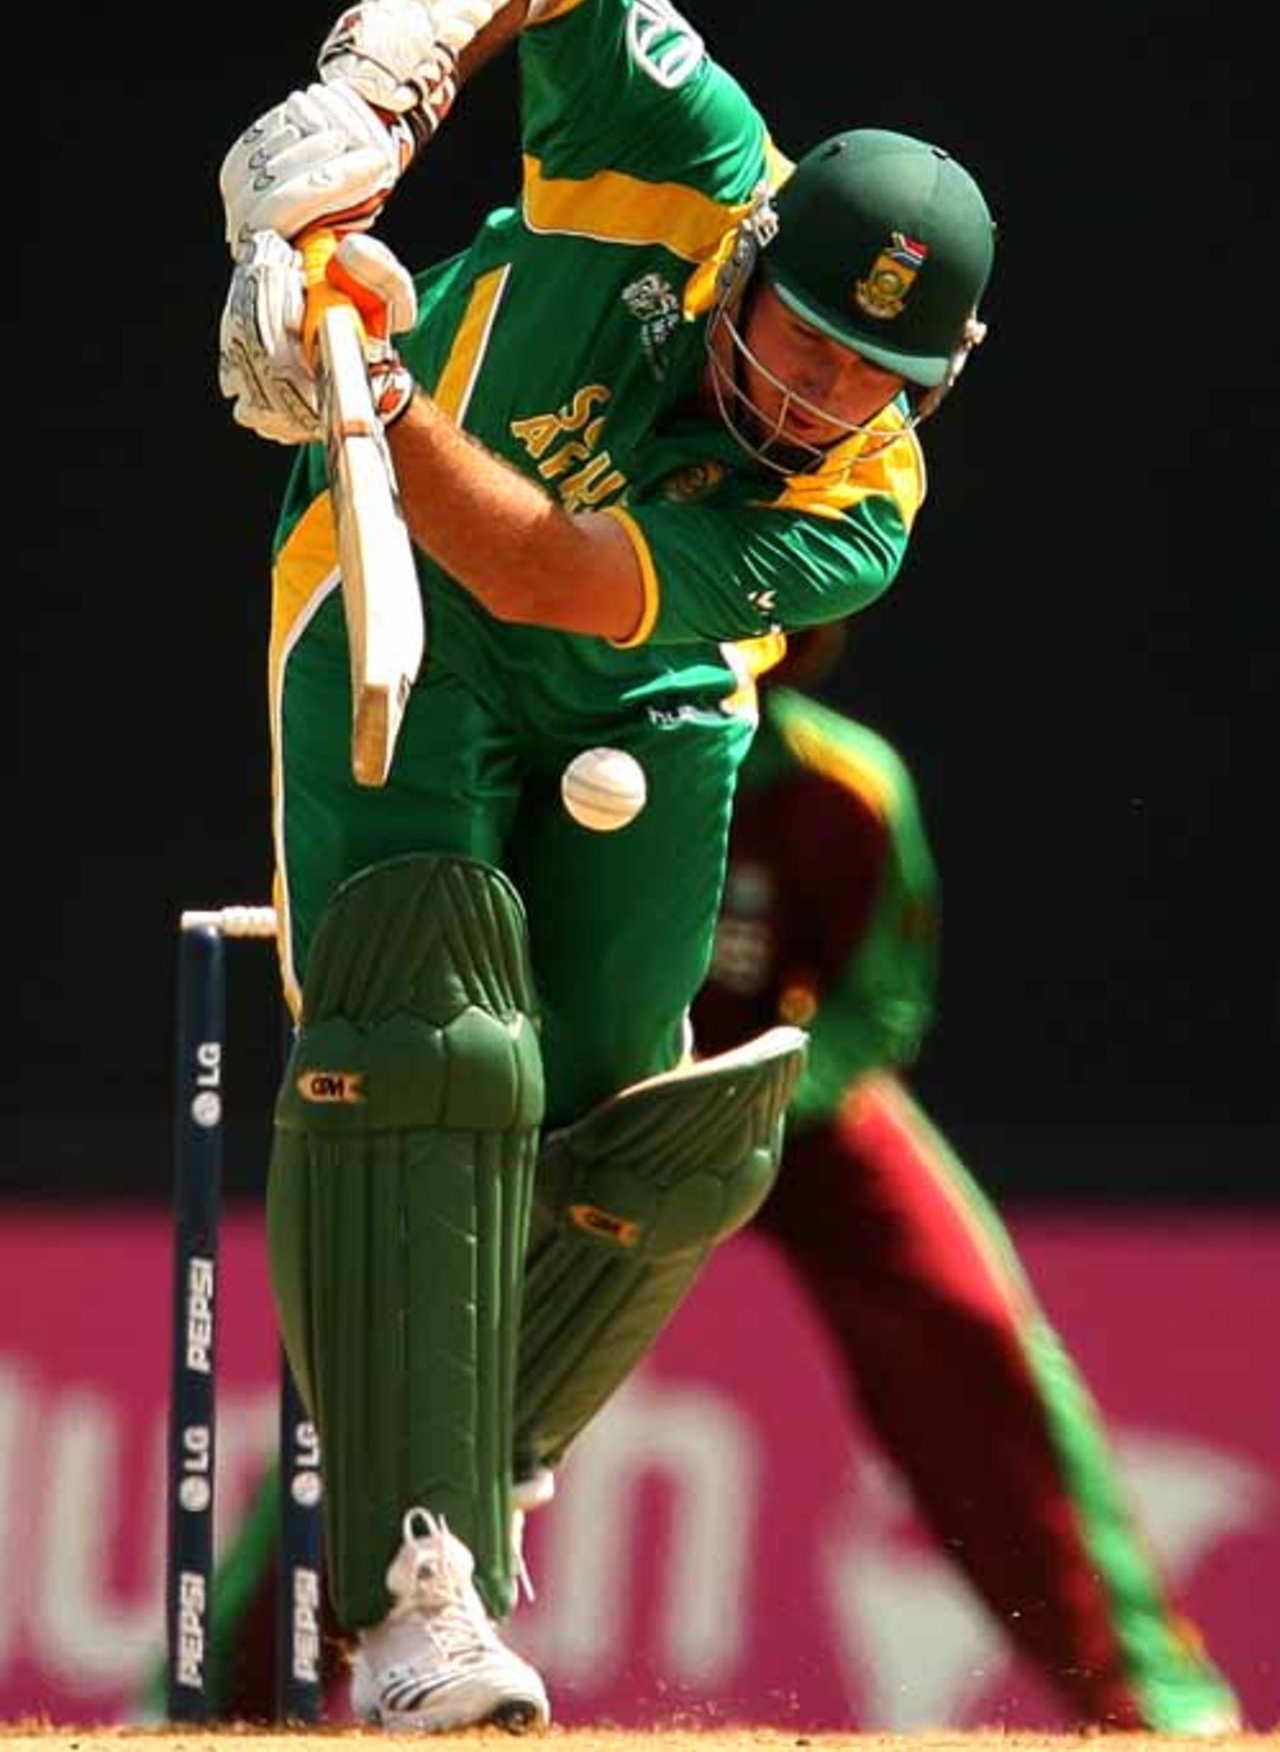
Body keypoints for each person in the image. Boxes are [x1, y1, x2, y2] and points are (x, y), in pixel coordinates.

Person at [213, 0, 996, 1734]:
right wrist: (370, 103)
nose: (813, 401)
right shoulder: (696, 157)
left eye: (869, 379)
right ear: (753, 251)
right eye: (806, 339)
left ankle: (494, 1461)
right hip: (390, 594)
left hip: (603, 642)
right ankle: (416, 1603)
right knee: (435, 1036)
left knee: (659, 1126)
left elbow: (563, 576)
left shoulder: (859, 504)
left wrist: (377, 388)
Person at [142, 627, 1242, 1735]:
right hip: (581, 1102)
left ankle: (1150, 1698)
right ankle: (221, 1703)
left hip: (785, 1107)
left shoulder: (836, 783)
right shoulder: (545, 751)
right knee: (401, 1373)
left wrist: (740, 1109)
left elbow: (879, 1006)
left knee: (966, 1320)